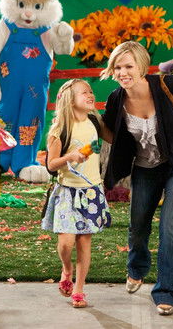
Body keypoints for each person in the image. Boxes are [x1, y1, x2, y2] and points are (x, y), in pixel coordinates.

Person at [99, 41, 173, 316]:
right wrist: (90, 120)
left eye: (128, 66)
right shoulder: (116, 99)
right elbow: (112, 135)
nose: (123, 72)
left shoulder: (168, 85)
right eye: (118, 67)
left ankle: (165, 292)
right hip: (145, 168)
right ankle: (137, 268)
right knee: (138, 225)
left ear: (142, 67)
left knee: (170, 223)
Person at [41, 79, 112, 308]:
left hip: (91, 191)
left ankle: (79, 290)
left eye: (91, 91)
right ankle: (66, 268)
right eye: (84, 93)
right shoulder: (60, 130)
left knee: (84, 242)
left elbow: (115, 138)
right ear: (70, 100)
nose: (90, 95)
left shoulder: (95, 122)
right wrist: (70, 157)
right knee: (66, 243)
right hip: (67, 192)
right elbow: (51, 164)